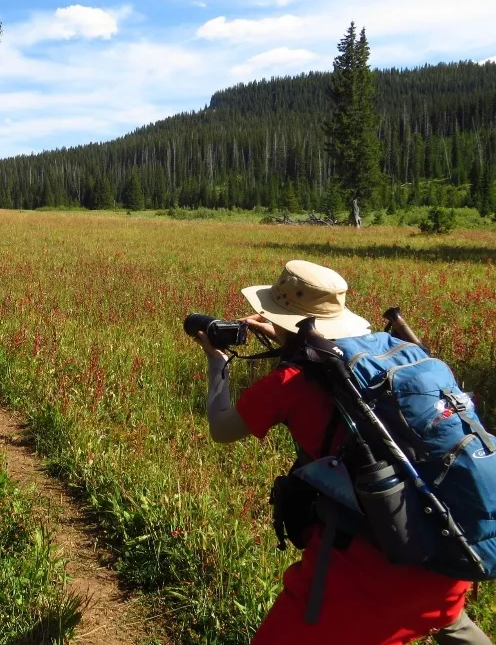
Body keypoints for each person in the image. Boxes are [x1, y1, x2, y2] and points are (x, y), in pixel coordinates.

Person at [192, 260, 491, 645]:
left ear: (281, 314)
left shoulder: (290, 381)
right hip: (448, 555)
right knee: (449, 623)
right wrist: (290, 338)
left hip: (363, 578)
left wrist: (217, 365)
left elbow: (222, 428)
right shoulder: (398, 349)